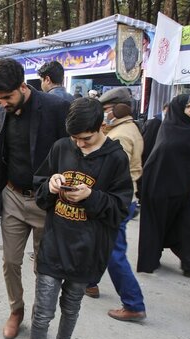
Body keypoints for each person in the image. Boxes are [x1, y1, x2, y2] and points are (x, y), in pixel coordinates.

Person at [21, 97, 132, 339]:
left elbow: (121, 209)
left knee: (70, 310)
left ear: (101, 127)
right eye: (75, 139)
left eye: (86, 138)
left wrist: (90, 196)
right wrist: (51, 185)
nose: (80, 145)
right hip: (54, 245)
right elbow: (40, 190)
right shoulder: (61, 148)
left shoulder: (115, 159)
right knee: (42, 313)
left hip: (87, 251)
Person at [0, 57, 70, 339]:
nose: (2, 103)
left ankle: (40, 315)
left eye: (7, 97)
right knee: (10, 261)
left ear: (23, 86)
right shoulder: (3, 110)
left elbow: (71, 154)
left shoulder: (56, 108)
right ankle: (16, 310)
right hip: (12, 197)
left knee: (43, 267)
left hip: (46, 201)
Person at [82, 88, 145, 321]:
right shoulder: (127, 128)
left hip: (117, 201)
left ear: (118, 109)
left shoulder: (119, 137)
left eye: (106, 110)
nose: (104, 115)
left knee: (114, 252)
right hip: (125, 199)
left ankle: (133, 303)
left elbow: (112, 173)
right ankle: (90, 283)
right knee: (100, 243)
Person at [137, 94, 190, 279]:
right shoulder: (167, 130)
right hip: (162, 190)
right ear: (178, 110)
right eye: (188, 107)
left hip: (188, 190)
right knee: (157, 226)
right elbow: (156, 159)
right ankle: (152, 259)